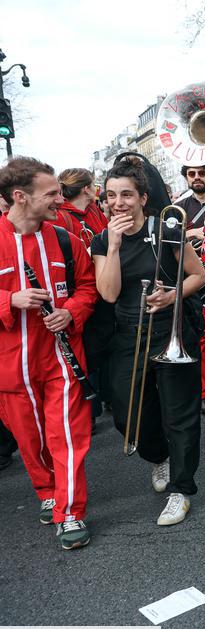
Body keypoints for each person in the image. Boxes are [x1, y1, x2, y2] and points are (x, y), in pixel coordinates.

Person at [92, 156, 205, 526]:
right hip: (128, 335)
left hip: (170, 329)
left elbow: (198, 275)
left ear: (143, 197)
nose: (118, 203)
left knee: (181, 416)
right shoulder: (101, 240)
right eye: (111, 196)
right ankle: (159, 456)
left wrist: (172, 294)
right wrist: (112, 247)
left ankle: (182, 488)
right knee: (129, 416)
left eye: (126, 195)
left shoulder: (167, 227)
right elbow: (108, 294)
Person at [0, 156, 98, 549]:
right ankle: (48, 491)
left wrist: (70, 312)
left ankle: (70, 512)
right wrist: (10, 300)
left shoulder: (64, 239)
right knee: (29, 438)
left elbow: (88, 289)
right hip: (11, 364)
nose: (61, 199)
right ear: (20, 197)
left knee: (68, 436)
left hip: (61, 356)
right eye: (52, 193)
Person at [56, 169, 114, 425]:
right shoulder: (61, 217)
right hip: (79, 291)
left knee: (107, 345)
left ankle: (111, 396)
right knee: (86, 351)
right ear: (86, 189)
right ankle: (88, 410)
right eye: (94, 185)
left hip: (102, 286)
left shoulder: (93, 211)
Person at [175, 163, 205, 415]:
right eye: (191, 174)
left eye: (201, 173)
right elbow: (173, 239)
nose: (196, 178)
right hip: (198, 280)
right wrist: (197, 230)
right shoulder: (179, 208)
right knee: (203, 337)